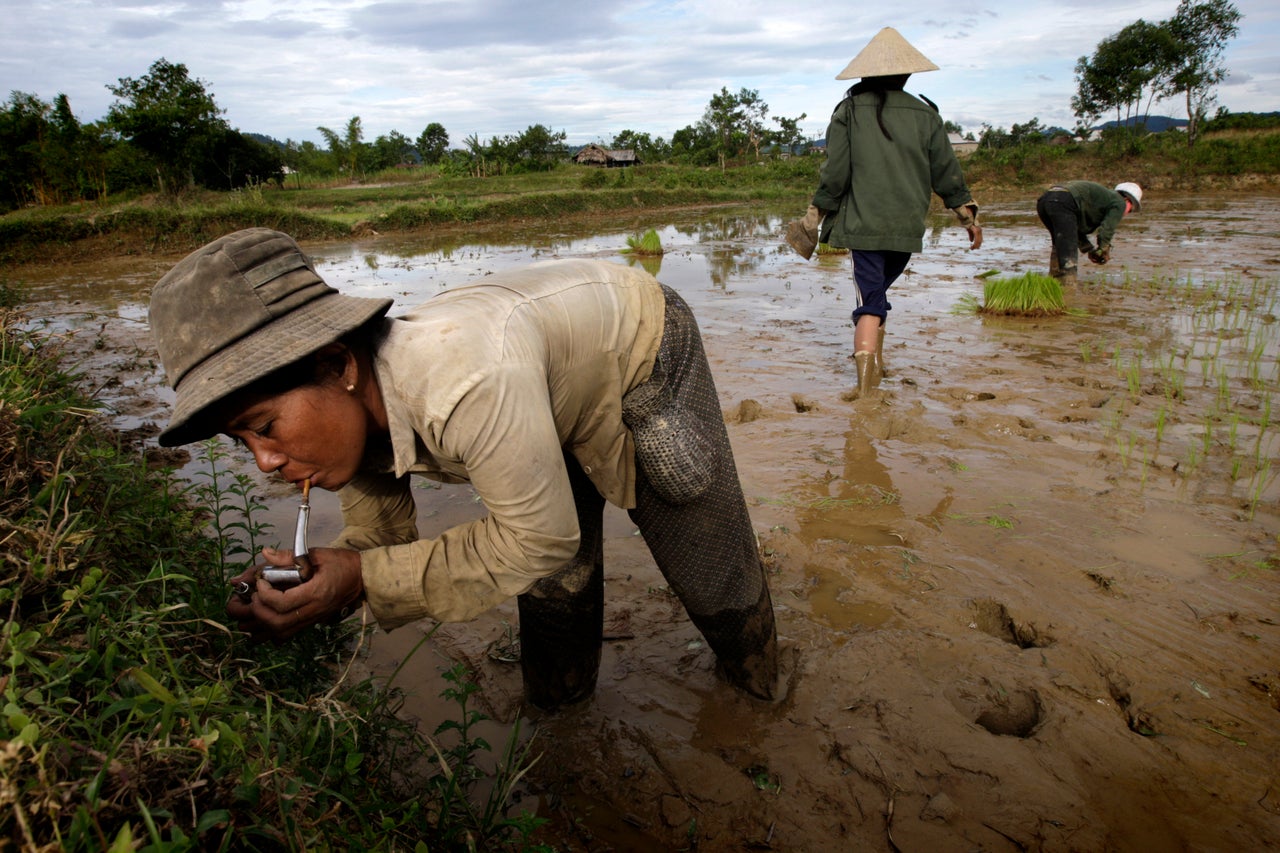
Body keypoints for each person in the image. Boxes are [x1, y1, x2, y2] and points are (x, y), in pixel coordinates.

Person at [147, 228, 780, 707]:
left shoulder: (464, 382)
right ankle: (561, 711)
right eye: (243, 441)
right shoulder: (347, 423)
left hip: (633, 336)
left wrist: (362, 579)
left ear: (340, 366)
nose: (266, 462)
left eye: (264, 427)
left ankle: (761, 686)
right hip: (535, 382)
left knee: (687, 501)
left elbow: (533, 536)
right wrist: (327, 573)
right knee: (556, 574)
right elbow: (381, 541)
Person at [785, 27, 982, 399]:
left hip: (864, 226)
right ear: (907, 74)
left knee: (868, 301)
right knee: (877, 296)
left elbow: (836, 174)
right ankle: (877, 368)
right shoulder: (927, 116)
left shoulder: (847, 111)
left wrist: (813, 216)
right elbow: (947, 174)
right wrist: (968, 218)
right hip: (906, 228)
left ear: (865, 74)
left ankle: (863, 395)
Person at [1036, 180, 1142, 285]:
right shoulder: (1120, 202)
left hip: (1045, 200)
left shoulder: (1105, 199)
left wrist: (1089, 249)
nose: (1127, 213)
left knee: (1061, 243)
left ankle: (1054, 282)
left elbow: (1074, 230)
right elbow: (1106, 229)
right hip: (1063, 200)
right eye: (1130, 210)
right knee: (1068, 247)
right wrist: (1103, 248)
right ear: (1128, 200)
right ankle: (1068, 287)